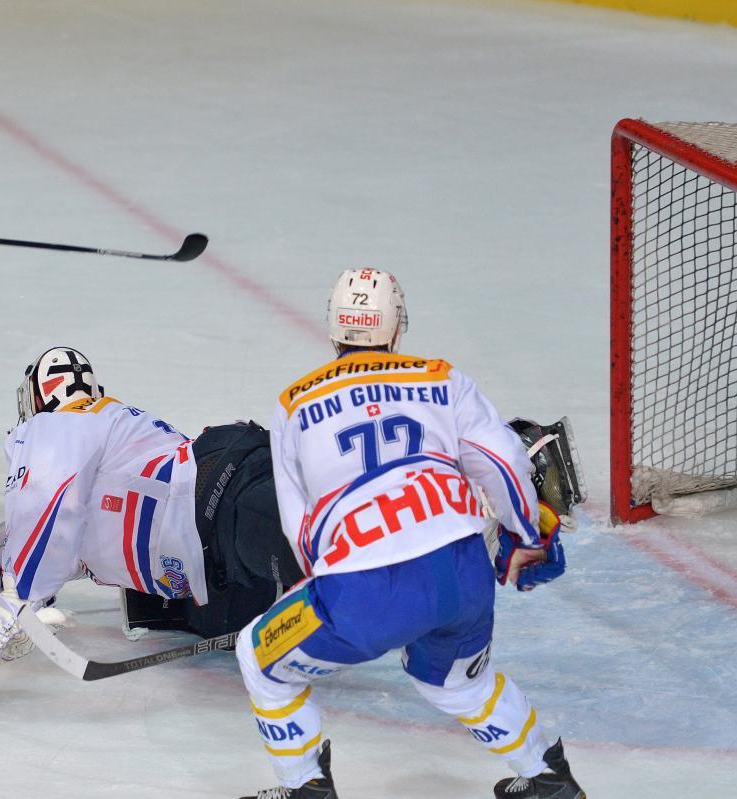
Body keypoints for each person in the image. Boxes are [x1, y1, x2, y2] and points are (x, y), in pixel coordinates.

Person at [233, 268, 585, 799]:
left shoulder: (294, 405)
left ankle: (304, 787)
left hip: (360, 590)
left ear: (333, 327)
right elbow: (499, 457)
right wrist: (524, 534)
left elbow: (300, 528)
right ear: (397, 327)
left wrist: (325, 591)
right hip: (460, 575)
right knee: (456, 681)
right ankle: (548, 778)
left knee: (259, 658)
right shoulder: (441, 376)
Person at [0, 346, 304, 685]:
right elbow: (88, 516)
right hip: (220, 527)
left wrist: (15, 597)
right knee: (266, 596)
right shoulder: (109, 430)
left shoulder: (58, 423)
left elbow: (49, 499)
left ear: (38, 396)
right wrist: (3, 564)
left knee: (330, 557)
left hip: (223, 499)